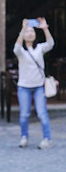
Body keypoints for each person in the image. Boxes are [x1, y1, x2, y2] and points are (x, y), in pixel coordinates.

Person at [13, 17, 54, 149]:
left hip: (39, 87)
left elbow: (50, 43)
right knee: (24, 115)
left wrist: (45, 29)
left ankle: (47, 138)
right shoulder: (21, 51)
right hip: (24, 87)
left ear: (35, 34)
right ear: (23, 35)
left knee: (42, 113)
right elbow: (16, 48)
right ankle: (24, 137)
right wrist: (23, 28)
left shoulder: (40, 48)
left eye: (32, 31)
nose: (30, 33)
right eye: (27, 31)